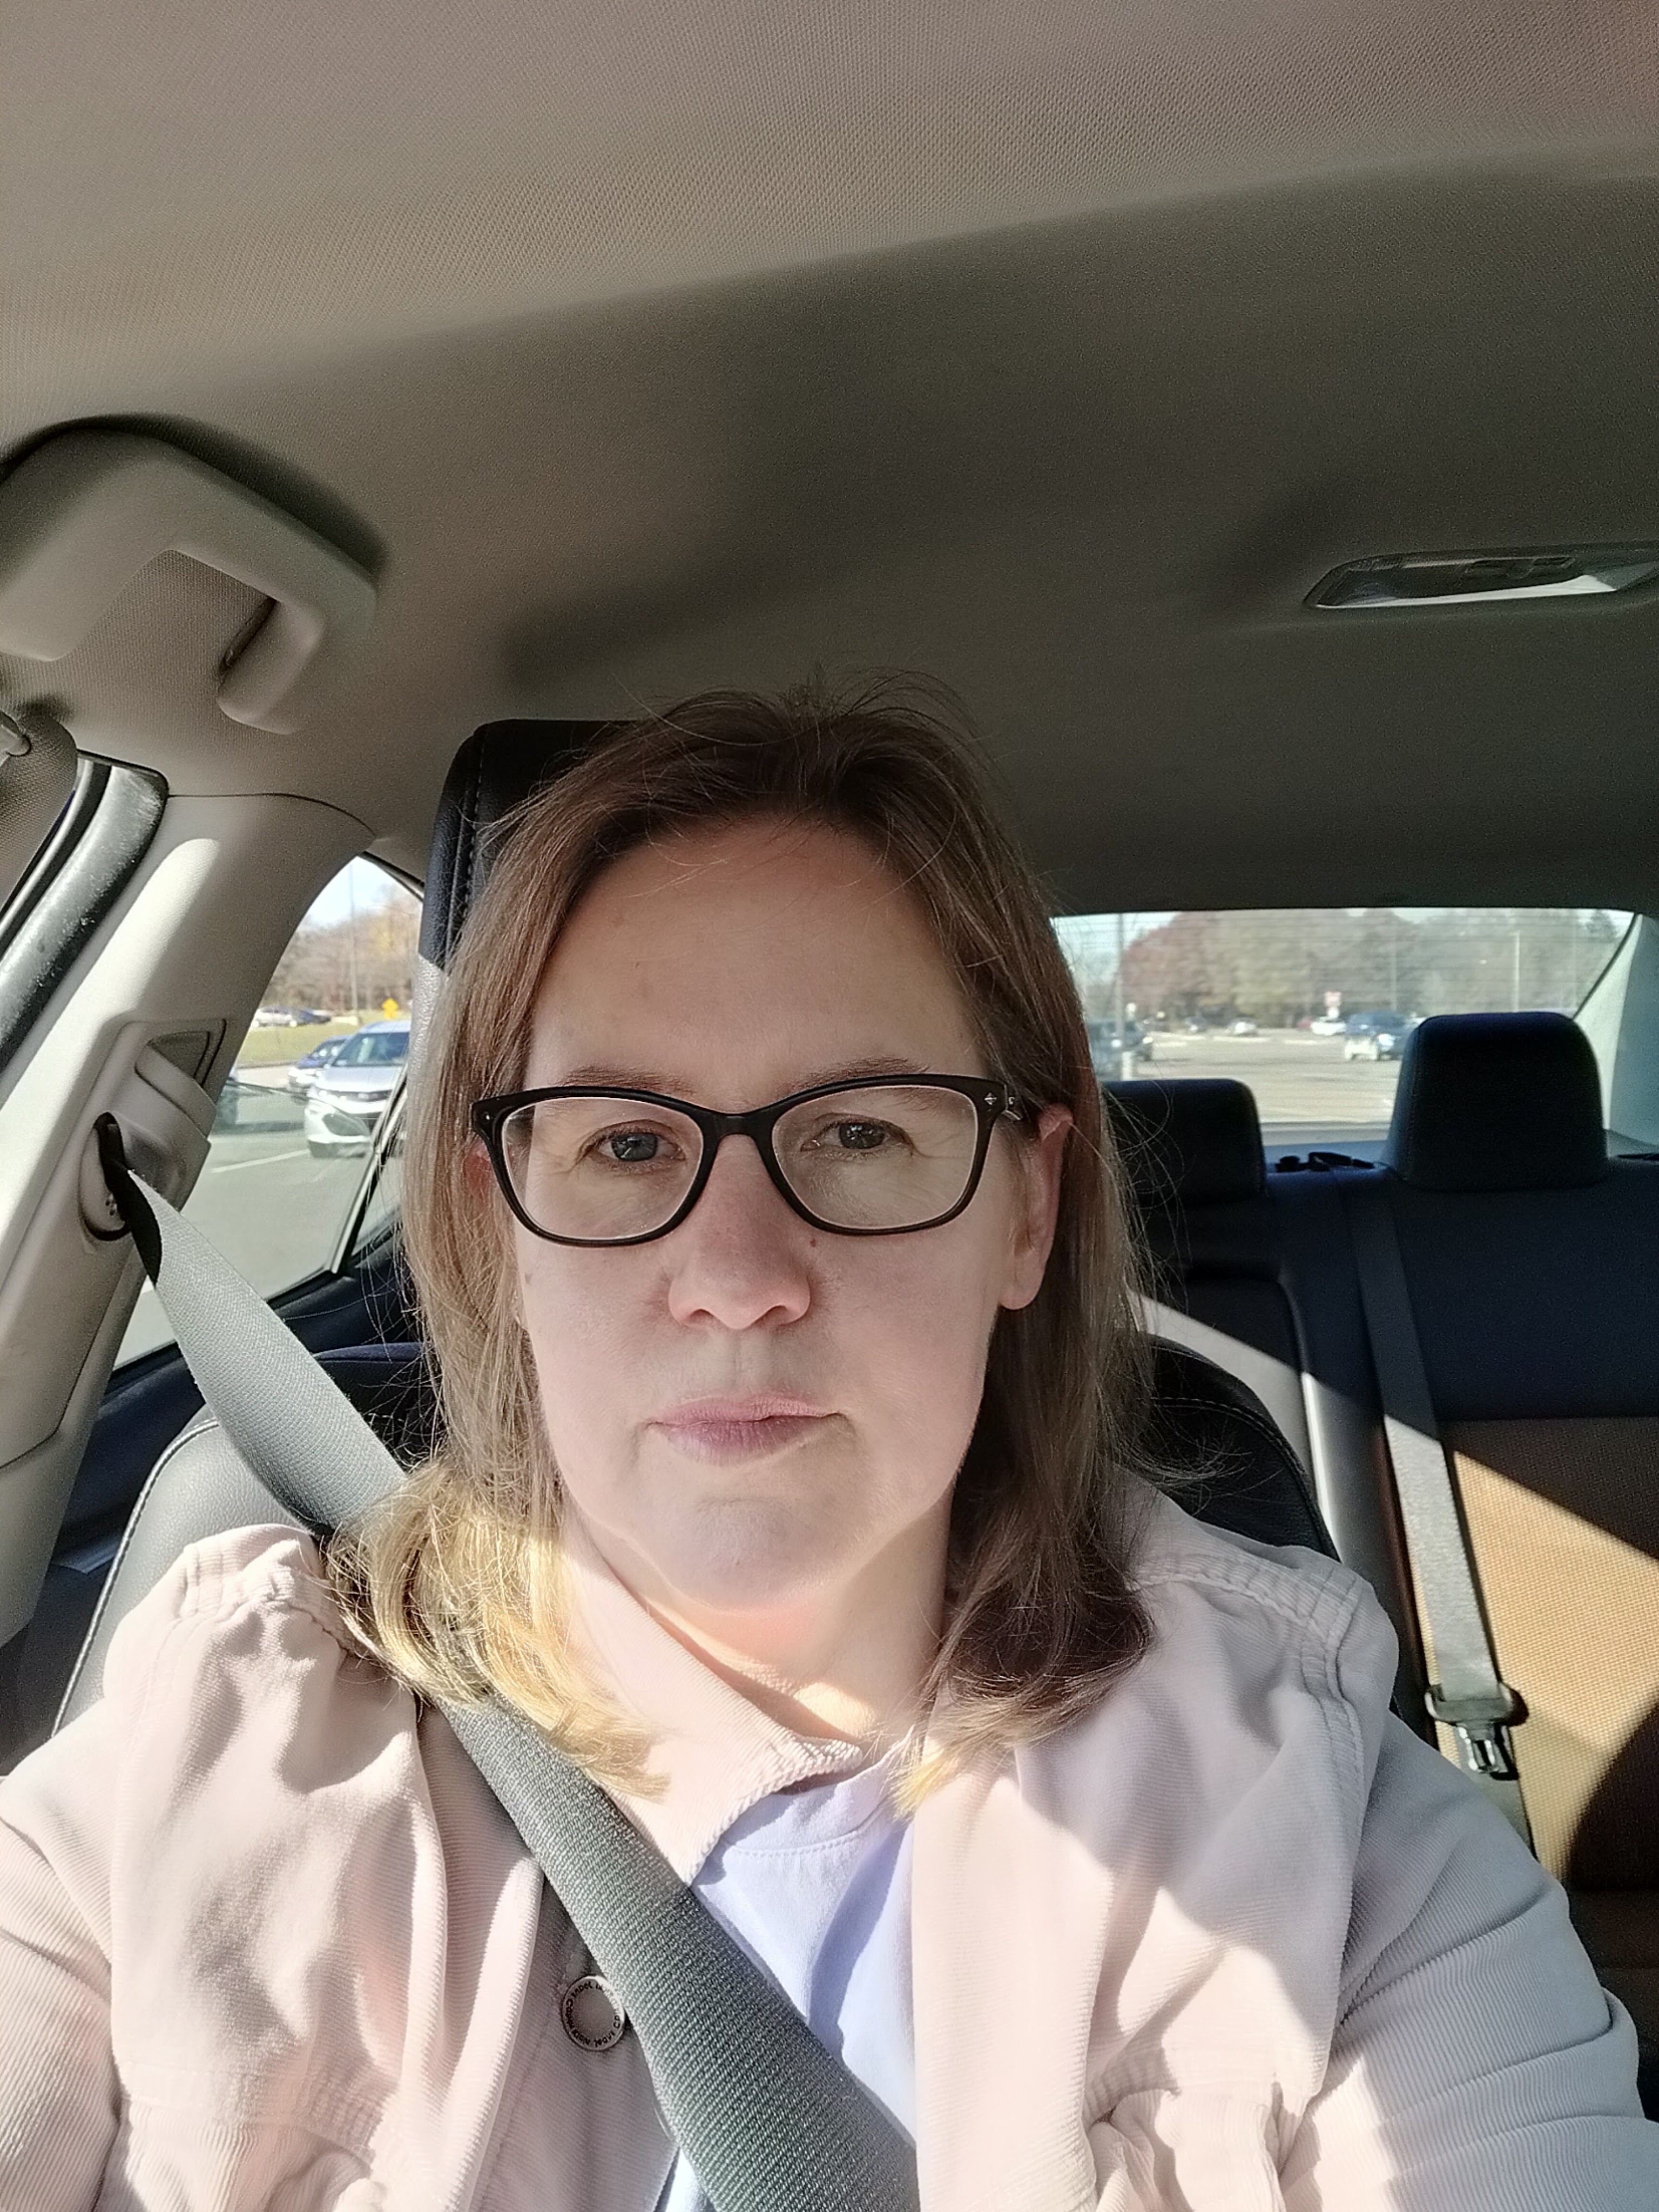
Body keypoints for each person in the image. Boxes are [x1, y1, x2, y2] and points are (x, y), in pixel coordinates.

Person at [0, 680, 1651, 2210]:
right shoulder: (208, 1746)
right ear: (496, 1220)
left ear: (1025, 1208)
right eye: (627, 1141)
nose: (736, 1280)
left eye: (859, 1133)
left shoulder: (1340, 1847)